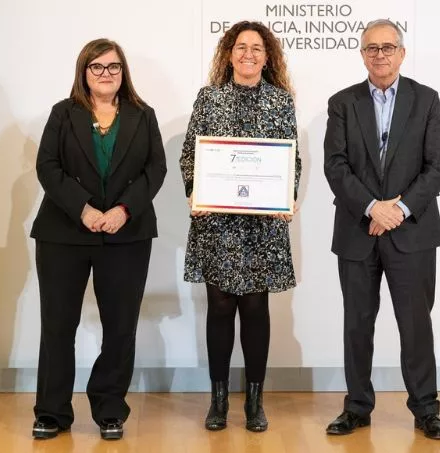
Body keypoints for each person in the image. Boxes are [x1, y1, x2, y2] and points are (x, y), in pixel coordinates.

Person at [29, 38, 166, 440]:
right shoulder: (63, 113)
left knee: (120, 327)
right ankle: (52, 412)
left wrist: (124, 210)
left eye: (113, 66)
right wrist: (83, 208)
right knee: (58, 326)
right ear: (84, 72)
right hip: (64, 233)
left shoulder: (143, 115)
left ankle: (109, 409)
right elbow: (47, 166)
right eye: (97, 67)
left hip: (127, 233)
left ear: (123, 72)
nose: (106, 73)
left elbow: (155, 170)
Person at [323, 19, 440, 440]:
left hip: (412, 232)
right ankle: (357, 408)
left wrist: (398, 209)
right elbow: (335, 166)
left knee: (416, 326)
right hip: (357, 232)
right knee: (357, 325)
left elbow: (435, 168)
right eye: (371, 48)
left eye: (388, 47)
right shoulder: (342, 102)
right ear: (362, 54)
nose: (380, 55)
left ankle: (426, 410)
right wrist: (372, 208)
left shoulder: (426, 100)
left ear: (402, 53)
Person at [179, 20, 301, 433]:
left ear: (267, 58)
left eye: (257, 48)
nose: (249, 54)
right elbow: (190, 154)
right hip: (217, 223)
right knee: (219, 308)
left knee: (254, 309)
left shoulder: (281, 102)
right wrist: (194, 192)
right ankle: (217, 402)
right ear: (229, 54)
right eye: (241, 47)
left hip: (262, 226)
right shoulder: (209, 98)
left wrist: (287, 195)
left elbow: (291, 159)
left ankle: (254, 402)